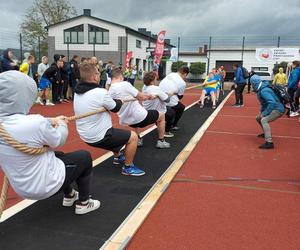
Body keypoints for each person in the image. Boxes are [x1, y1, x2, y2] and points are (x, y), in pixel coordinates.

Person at [0, 71, 100, 215]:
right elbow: (60, 139)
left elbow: (21, 125)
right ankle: (84, 203)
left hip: (21, 189)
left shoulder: (23, 123)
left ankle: (70, 195)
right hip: (45, 187)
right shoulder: (35, 123)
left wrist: (51, 120)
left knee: (58, 155)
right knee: (84, 157)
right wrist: (62, 124)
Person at [73, 63, 145, 176]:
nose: (99, 75)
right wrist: (120, 101)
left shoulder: (77, 92)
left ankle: (118, 157)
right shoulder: (100, 92)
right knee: (133, 137)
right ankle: (128, 167)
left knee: (115, 134)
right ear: (94, 77)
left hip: (85, 136)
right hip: (99, 136)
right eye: (97, 73)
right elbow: (115, 108)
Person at [109, 68, 171, 149]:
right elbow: (142, 97)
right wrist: (150, 96)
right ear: (120, 76)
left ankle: (138, 139)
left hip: (127, 121)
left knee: (134, 114)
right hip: (141, 118)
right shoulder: (124, 84)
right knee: (162, 116)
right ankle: (161, 141)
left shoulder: (110, 91)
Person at [250, 74, 285, 149]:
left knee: (264, 120)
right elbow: (265, 103)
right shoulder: (262, 87)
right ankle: (266, 133)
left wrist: (264, 113)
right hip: (275, 108)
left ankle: (269, 142)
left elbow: (272, 103)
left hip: (278, 109)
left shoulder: (264, 91)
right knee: (258, 118)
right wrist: (262, 112)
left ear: (253, 83)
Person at [142, 71, 175, 138]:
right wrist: (170, 94)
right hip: (155, 112)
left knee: (167, 110)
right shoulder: (156, 89)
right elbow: (167, 100)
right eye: (155, 78)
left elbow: (159, 94)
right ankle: (166, 131)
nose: (156, 79)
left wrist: (163, 94)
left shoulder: (144, 87)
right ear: (152, 80)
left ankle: (159, 124)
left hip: (146, 110)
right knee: (171, 113)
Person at [159, 66, 189, 131]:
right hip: (168, 100)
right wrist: (175, 93)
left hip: (160, 97)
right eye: (186, 76)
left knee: (173, 106)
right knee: (181, 107)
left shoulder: (171, 74)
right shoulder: (182, 83)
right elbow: (180, 96)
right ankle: (173, 125)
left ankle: (166, 120)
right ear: (185, 74)